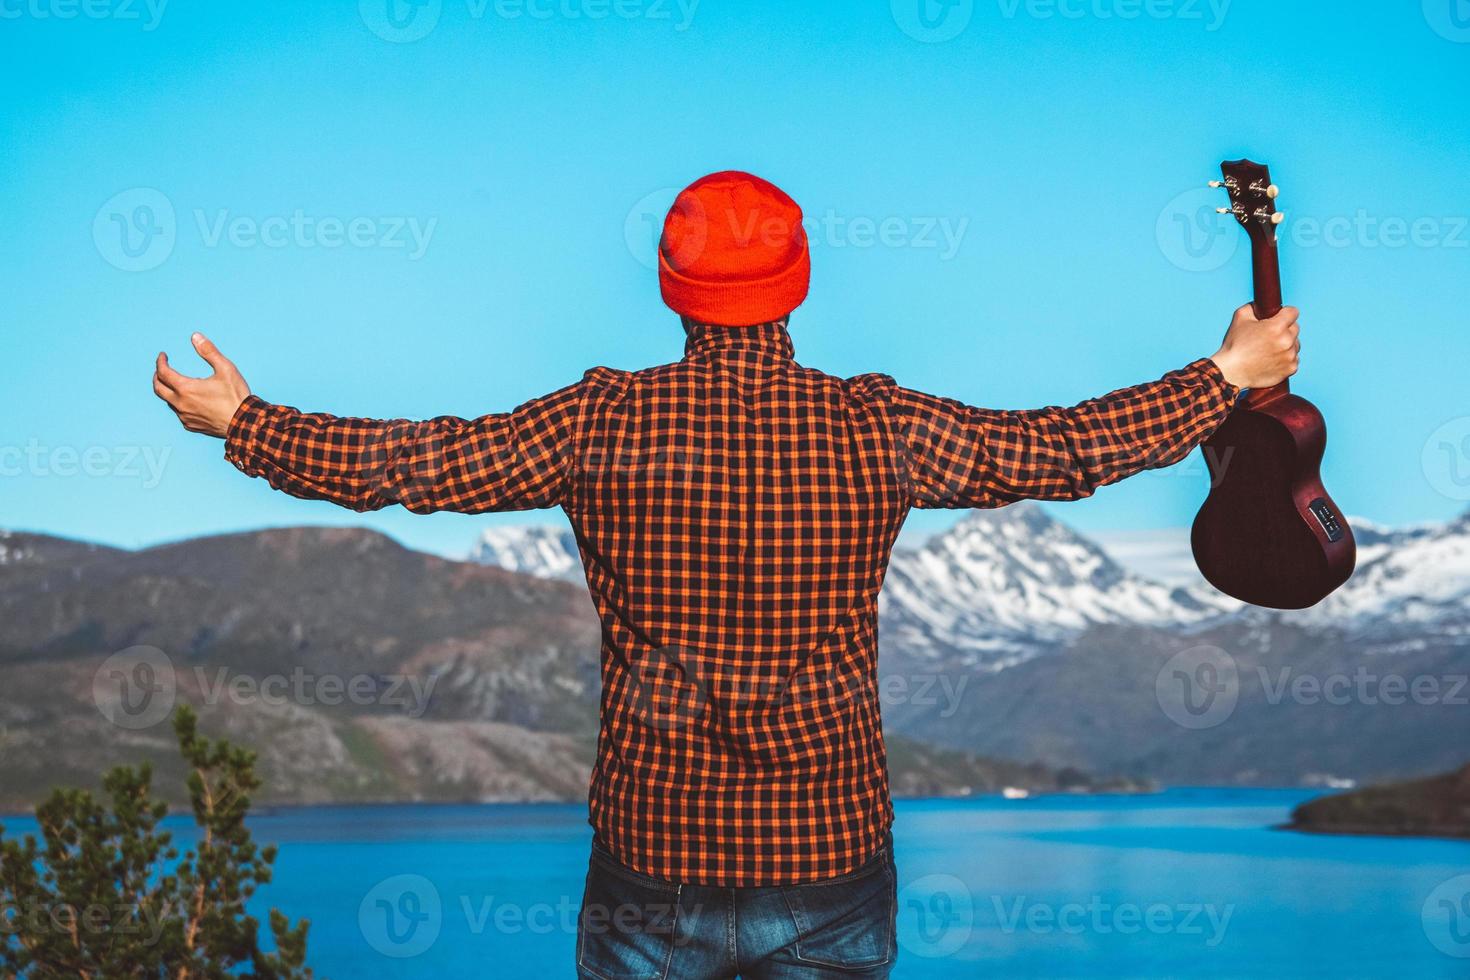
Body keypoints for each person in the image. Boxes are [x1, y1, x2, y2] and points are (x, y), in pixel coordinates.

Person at [153, 170, 1299, 978]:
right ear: (796, 284)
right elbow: (1061, 443)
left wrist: (248, 420)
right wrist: (1222, 373)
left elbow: (415, 462)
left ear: (672, 289)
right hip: (829, 856)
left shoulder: (601, 419)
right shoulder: (873, 426)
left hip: (654, 856)